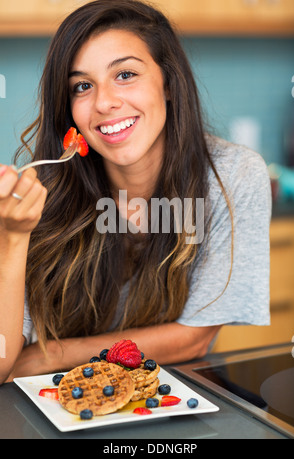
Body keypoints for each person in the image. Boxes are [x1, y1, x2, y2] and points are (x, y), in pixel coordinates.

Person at [0, 0, 271, 384]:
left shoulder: (231, 176)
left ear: (169, 83)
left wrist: (51, 356)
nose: (105, 102)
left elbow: (193, 339)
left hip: (172, 397)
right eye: (82, 86)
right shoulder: (42, 193)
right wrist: (10, 239)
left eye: (125, 74)